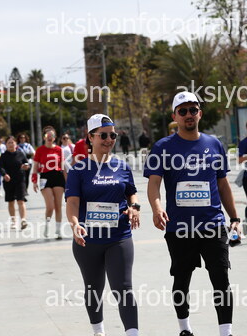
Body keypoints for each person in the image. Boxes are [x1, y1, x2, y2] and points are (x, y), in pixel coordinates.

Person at [144, 91, 240, 336]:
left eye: (193, 110)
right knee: (181, 279)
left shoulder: (214, 144)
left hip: (213, 225)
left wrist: (235, 218)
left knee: (221, 278)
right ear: (175, 116)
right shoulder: (162, 147)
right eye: (183, 111)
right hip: (179, 227)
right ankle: (185, 328)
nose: (188, 114)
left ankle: (226, 332)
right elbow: (154, 183)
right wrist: (157, 208)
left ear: (200, 113)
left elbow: (223, 185)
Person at [66, 114, 141, 336]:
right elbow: (72, 203)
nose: (109, 140)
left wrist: (134, 207)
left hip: (119, 237)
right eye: (104, 135)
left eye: (113, 135)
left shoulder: (122, 166)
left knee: (124, 288)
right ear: (90, 137)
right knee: (93, 288)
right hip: (88, 240)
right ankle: (98, 331)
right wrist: (74, 224)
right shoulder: (79, 170)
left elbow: (132, 193)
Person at [32, 126, 66, 239]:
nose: (50, 137)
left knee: (58, 205)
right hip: (45, 177)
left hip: (58, 177)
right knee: (50, 206)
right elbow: (35, 167)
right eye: (48, 135)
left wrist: (67, 181)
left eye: (52, 135)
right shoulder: (40, 150)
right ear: (44, 137)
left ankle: (58, 230)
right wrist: (34, 181)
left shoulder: (59, 150)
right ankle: (47, 225)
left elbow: (63, 167)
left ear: (55, 138)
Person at [0, 136, 30, 229]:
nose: (10, 144)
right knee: (11, 202)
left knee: (21, 200)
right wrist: (5, 174)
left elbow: (26, 163)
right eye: (8, 143)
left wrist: (26, 166)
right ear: (6, 145)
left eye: (12, 142)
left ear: (16, 144)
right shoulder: (3, 156)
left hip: (20, 180)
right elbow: (1, 167)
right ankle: (13, 221)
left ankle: (23, 220)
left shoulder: (20, 153)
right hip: (8, 181)